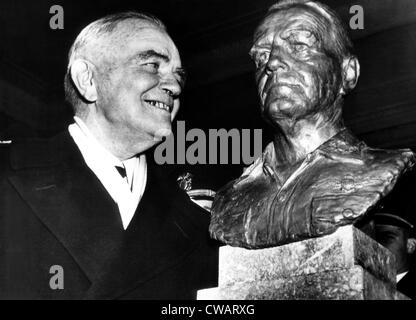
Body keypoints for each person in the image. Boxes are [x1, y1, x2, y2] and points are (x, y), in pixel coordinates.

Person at [0, 12, 218, 299]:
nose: (175, 87)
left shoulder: (201, 221)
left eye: (178, 76)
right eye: (152, 65)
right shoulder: (8, 173)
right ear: (87, 79)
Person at [209, 0, 415, 248]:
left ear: (347, 73)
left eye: (299, 46)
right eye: (262, 55)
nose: (272, 63)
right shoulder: (230, 200)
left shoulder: (378, 170)